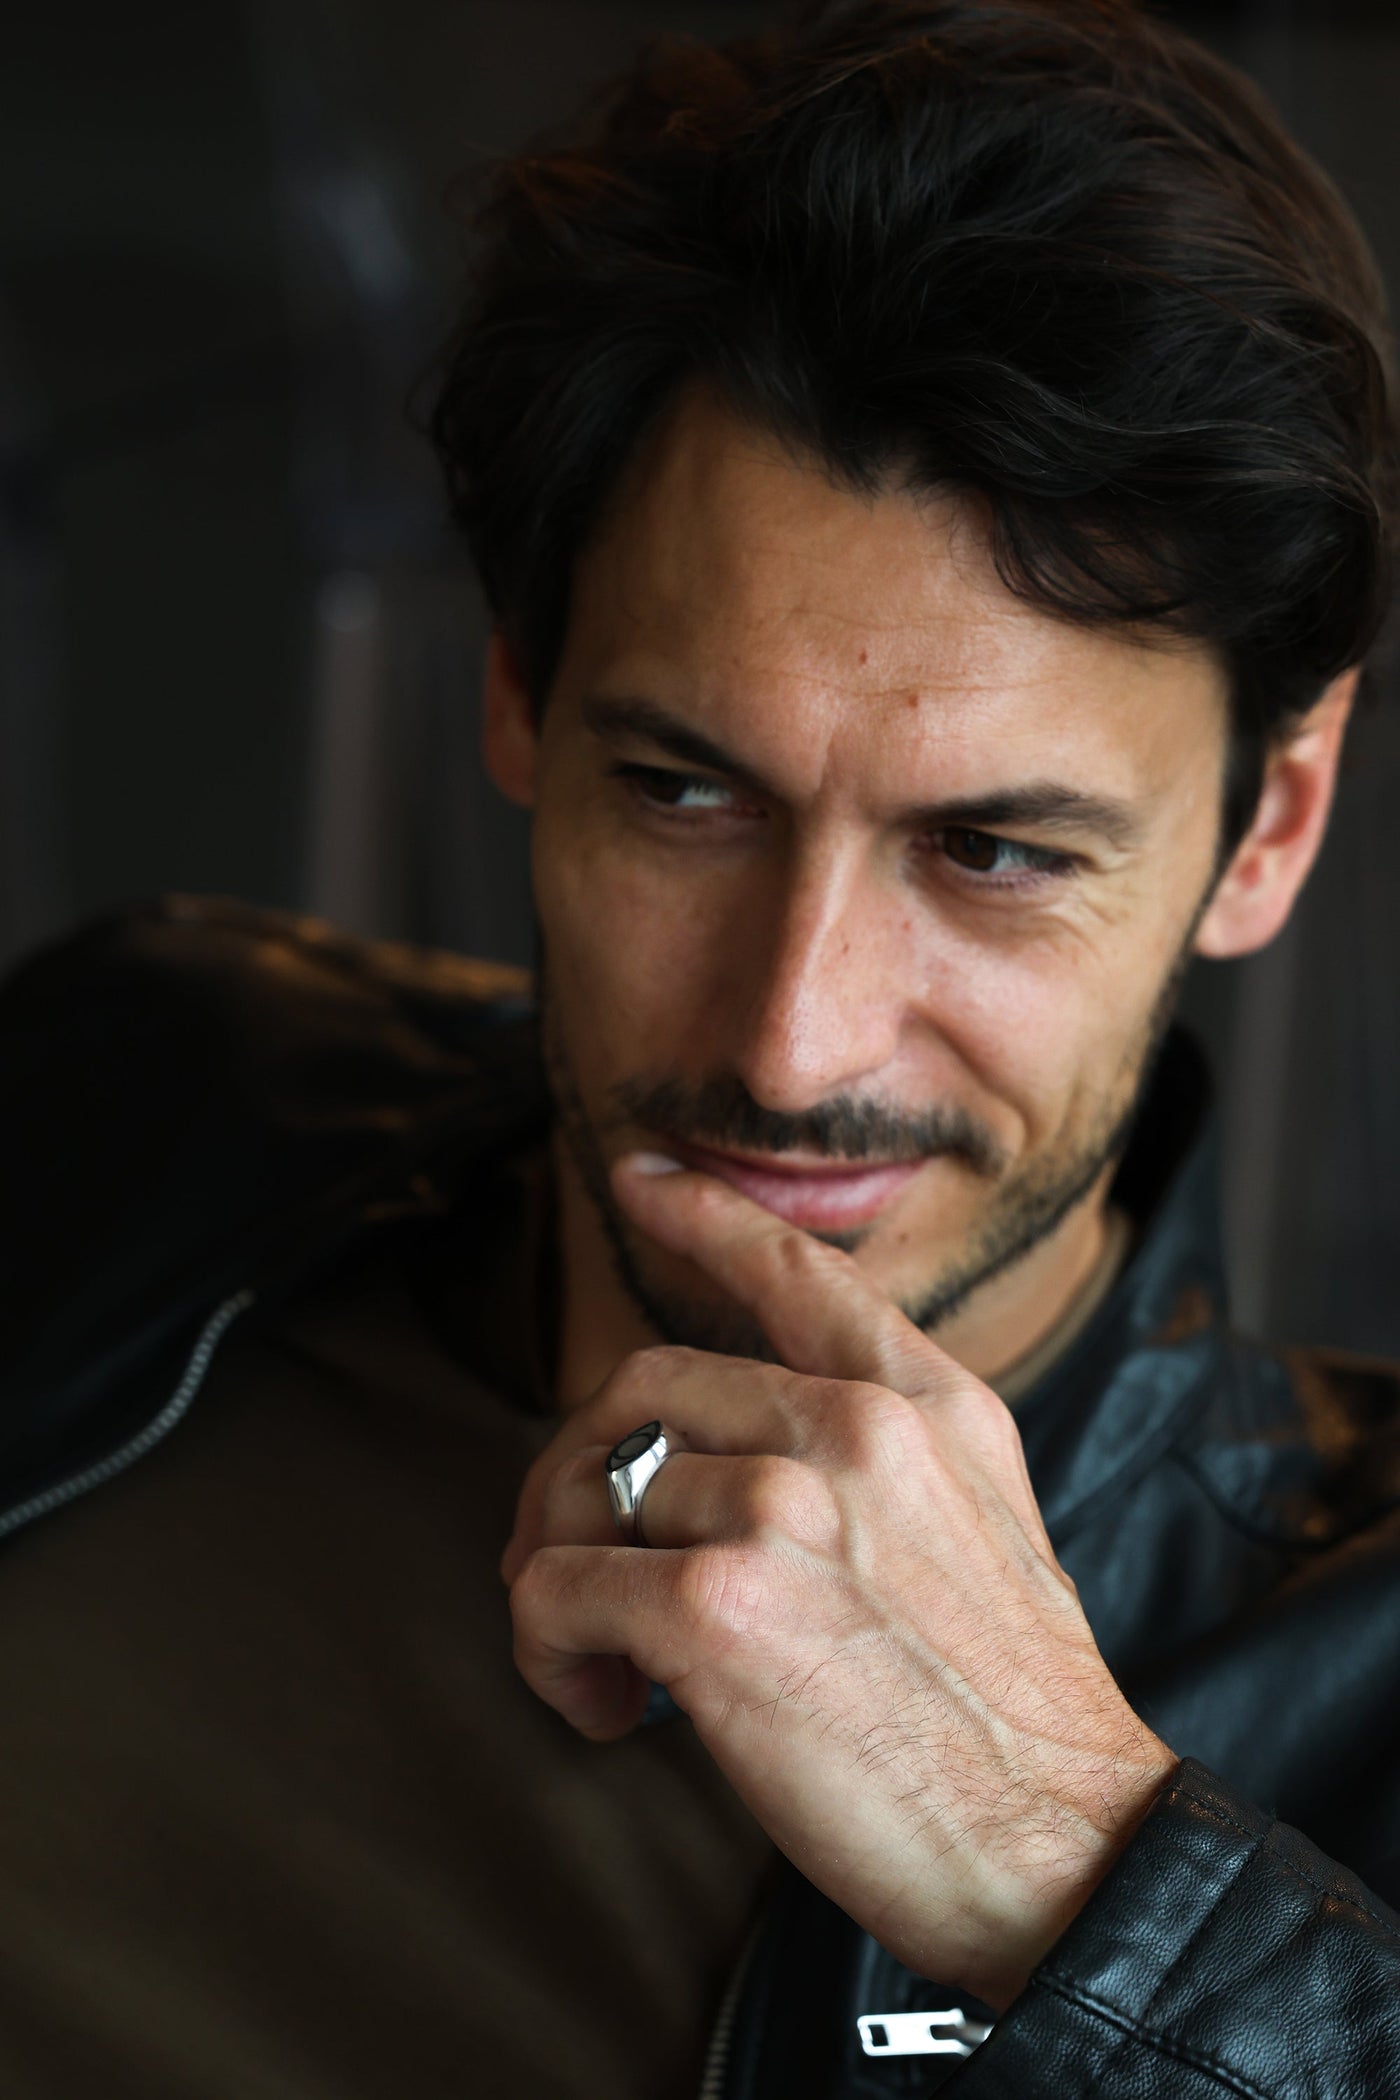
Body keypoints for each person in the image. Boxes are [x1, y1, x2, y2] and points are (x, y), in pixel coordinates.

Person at [3, 0, 1399, 2092]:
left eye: (996, 852)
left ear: (1265, 825)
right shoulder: (139, 1093)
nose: (787, 1029)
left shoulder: (1372, 1660)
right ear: (516, 694)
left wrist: (1072, 1869)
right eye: (682, 791)